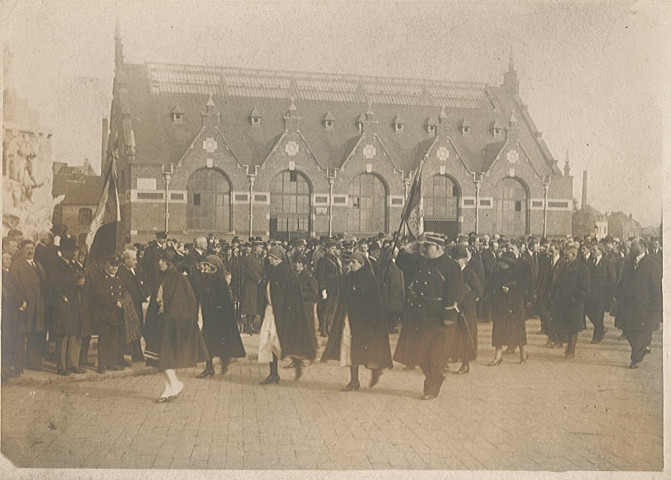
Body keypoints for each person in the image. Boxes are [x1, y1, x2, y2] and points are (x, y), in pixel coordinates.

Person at [394, 233, 465, 400]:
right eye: (424, 246)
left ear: (439, 248)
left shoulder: (451, 266)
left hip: (438, 316)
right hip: (419, 314)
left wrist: (449, 314)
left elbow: (456, 292)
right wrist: (406, 249)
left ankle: (431, 389)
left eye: (428, 247)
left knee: (435, 355)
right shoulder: (422, 261)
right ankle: (437, 375)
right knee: (418, 354)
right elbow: (401, 264)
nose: (425, 249)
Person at [322, 252, 393, 391]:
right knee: (349, 348)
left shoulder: (369, 279)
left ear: (362, 264)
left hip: (364, 322)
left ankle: (376, 370)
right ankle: (354, 380)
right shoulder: (348, 277)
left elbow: (374, 304)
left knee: (366, 349)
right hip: (349, 319)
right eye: (350, 262)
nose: (350, 265)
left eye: (354, 262)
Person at [144, 253, 210, 402]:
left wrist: (171, 316)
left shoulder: (178, 279)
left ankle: (175, 383)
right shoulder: (163, 277)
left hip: (170, 322)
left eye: (163, 260)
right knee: (159, 356)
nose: (160, 262)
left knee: (165, 356)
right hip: (161, 321)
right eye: (159, 260)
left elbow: (182, 304)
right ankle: (168, 388)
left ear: (170, 263)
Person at [257, 246, 316, 385]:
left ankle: (296, 361)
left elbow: (292, 295)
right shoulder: (270, 271)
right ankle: (273, 373)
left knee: (279, 342)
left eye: (273, 257)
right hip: (270, 311)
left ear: (279, 259)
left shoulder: (287, 273)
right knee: (268, 342)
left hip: (282, 313)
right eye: (269, 257)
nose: (270, 259)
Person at [615, 238, 662, 369]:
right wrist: (617, 295)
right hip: (628, 305)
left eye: (633, 247)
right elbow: (623, 281)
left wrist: (656, 308)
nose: (630, 250)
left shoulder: (652, 264)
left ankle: (635, 358)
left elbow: (656, 288)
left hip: (644, 306)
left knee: (641, 332)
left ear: (641, 246)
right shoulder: (629, 263)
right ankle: (641, 350)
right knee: (628, 331)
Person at [197, 255, 245, 378]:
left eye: (208, 265)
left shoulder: (220, 280)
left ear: (214, 267)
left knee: (222, 341)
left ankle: (224, 361)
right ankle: (209, 367)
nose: (205, 268)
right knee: (208, 340)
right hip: (208, 315)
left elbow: (225, 301)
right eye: (205, 265)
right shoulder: (204, 279)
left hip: (220, 316)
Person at [8, 239, 47, 372]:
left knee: (36, 335)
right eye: (27, 249)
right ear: (21, 250)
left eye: (32, 248)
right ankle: (18, 365)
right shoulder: (16, 266)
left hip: (38, 306)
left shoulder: (38, 264)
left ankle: (33, 362)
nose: (30, 251)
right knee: (21, 335)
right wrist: (21, 302)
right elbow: (15, 285)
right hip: (25, 306)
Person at [48, 237, 84, 375]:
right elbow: (57, 284)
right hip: (62, 304)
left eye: (73, 250)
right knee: (63, 336)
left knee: (72, 334)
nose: (73, 253)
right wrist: (76, 281)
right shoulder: (56, 265)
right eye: (70, 250)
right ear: (62, 251)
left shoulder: (71, 265)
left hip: (73, 304)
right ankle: (61, 366)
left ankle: (71, 364)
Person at [487, 251, 529, 366]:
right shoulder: (498, 274)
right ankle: (498, 356)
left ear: (508, 263)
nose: (500, 263)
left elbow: (523, 291)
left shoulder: (517, 275)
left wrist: (510, 292)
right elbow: (492, 288)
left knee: (518, 331)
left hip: (515, 307)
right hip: (500, 307)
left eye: (502, 262)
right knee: (498, 332)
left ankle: (523, 354)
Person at [551, 245, 590, 360]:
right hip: (563, 303)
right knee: (565, 327)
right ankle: (568, 348)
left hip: (574, 304)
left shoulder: (583, 268)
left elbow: (585, 289)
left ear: (573, 255)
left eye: (567, 255)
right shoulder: (563, 266)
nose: (565, 257)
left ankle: (571, 350)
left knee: (573, 328)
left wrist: (574, 299)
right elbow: (558, 283)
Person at [88, 255, 126, 374]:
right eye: (112, 265)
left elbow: (123, 293)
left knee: (114, 339)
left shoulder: (119, 279)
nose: (114, 268)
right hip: (104, 314)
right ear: (106, 265)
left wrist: (122, 301)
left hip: (116, 315)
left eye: (116, 265)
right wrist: (116, 301)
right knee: (104, 339)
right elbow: (99, 297)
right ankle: (102, 365)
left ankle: (111, 363)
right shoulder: (99, 279)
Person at [451, 246, 481, 374]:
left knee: (465, 337)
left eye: (458, 259)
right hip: (453, 310)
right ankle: (454, 357)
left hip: (466, 312)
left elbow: (477, 291)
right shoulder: (452, 272)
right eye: (454, 258)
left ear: (464, 260)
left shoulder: (470, 273)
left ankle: (465, 363)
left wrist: (465, 301)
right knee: (453, 336)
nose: (456, 261)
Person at [117, 247, 149, 362]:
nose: (136, 262)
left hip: (136, 304)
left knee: (137, 329)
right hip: (129, 305)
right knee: (129, 330)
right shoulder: (121, 272)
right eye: (134, 259)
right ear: (126, 260)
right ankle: (126, 355)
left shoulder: (133, 270)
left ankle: (137, 355)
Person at [584, 243, 616, 344]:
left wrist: (608, 293)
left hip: (602, 294)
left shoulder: (607, 262)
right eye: (591, 250)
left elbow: (612, 278)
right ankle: (601, 328)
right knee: (588, 312)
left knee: (598, 315)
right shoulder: (589, 262)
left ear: (600, 251)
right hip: (590, 293)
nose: (592, 252)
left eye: (594, 250)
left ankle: (597, 336)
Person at [293, 253, 319, 356]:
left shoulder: (308, 276)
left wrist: (301, 294)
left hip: (306, 306)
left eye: (299, 263)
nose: (297, 265)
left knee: (309, 329)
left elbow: (314, 294)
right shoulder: (294, 275)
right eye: (295, 263)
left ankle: (312, 351)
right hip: (297, 307)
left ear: (304, 265)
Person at [315, 240, 342, 336]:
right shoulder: (322, 260)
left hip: (335, 288)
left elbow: (338, 274)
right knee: (325, 309)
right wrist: (323, 289)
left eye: (335, 248)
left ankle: (329, 327)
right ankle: (323, 329)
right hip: (328, 288)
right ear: (327, 249)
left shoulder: (335, 259)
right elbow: (320, 276)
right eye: (332, 248)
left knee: (332, 309)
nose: (334, 250)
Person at [239, 240, 265, 335]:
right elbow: (250, 271)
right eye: (260, 247)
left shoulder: (259, 259)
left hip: (257, 286)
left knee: (255, 306)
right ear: (255, 248)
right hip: (251, 285)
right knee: (250, 306)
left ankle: (251, 325)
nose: (261, 249)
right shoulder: (248, 259)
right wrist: (259, 279)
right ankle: (249, 326)